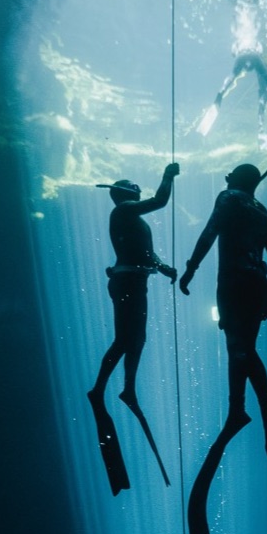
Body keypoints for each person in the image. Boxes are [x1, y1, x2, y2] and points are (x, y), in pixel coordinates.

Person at [179, 163, 267, 433]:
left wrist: (190, 269)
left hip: (233, 283)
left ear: (241, 180)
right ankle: (244, 409)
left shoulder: (229, 198)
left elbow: (209, 233)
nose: (227, 178)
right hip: (256, 285)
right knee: (242, 348)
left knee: (239, 348)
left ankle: (249, 408)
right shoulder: (265, 215)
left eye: (232, 175)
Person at [88, 163, 179, 412]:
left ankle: (125, 389)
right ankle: (104, 389)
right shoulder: (125, 210)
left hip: (132, 281)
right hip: (129, 282)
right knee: (126, 339)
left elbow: (146, 253)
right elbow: (160, 201)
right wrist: (168, 176)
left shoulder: (131, 217)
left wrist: (163, 267)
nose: (137, 190)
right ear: (126, 194)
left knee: (135, 339)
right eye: (133, 188)